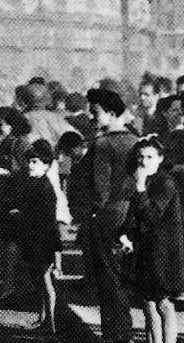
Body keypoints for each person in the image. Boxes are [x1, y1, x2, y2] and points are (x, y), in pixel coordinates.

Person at [81, 88, 140, 343]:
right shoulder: (136, 140)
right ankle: (124, 333)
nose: (92, 117)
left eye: (95, 112)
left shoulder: (102, 145)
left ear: (111, 113)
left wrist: (88, 212)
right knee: (123, 279)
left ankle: (114, 336)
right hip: (133, 213)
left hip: (107, 216)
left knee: (107, 278)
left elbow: (98, 187)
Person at [119, 137, 184, 343]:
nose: (144, 161)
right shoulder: (144, 181)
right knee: (148, 303)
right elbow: (133, 215)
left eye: (149, 157)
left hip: (164, 251)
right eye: (141, 156)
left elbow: (152, 215)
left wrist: (139, 187)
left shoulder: (165, 182)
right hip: (146, 249)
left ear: (160, 158)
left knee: (163, 303)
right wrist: (123, 234)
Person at [12, 139, 62, 336]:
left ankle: (51, 324)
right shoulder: (36, 184)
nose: (30, 165)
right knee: (40, 283)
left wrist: (20, 215)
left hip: (43, 242)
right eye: (30, 161)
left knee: (45, 282)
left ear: (46, 165)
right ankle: (44, 319)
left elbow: (48, 222)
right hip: (35, 241)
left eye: (35, 162)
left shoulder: (45, 189)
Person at [0, 106, 34, 301]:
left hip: (15, 200)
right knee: (12, 245)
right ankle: (21, 285)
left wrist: (6, 174)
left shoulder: (19, 144)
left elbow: (29, 171)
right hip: (6, 199)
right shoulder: (9, 142)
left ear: (13, 125)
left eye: (2, 124)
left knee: (12, 245)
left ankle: (11, 286)